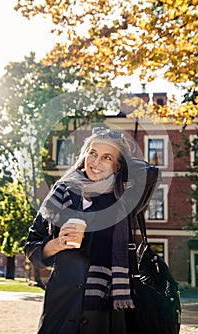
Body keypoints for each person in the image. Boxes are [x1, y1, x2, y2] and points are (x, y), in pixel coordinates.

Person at [25, 127, 159, 334]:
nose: (95, 163)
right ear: (84, 155)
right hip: (62, 304)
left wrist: (121, 156)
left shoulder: (122, 198)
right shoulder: (62, 192)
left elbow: (150, 173)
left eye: (106, 157)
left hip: (105, 312)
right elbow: (32, 246)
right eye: (92, 153)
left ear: (117, 167)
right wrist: (57, 244)